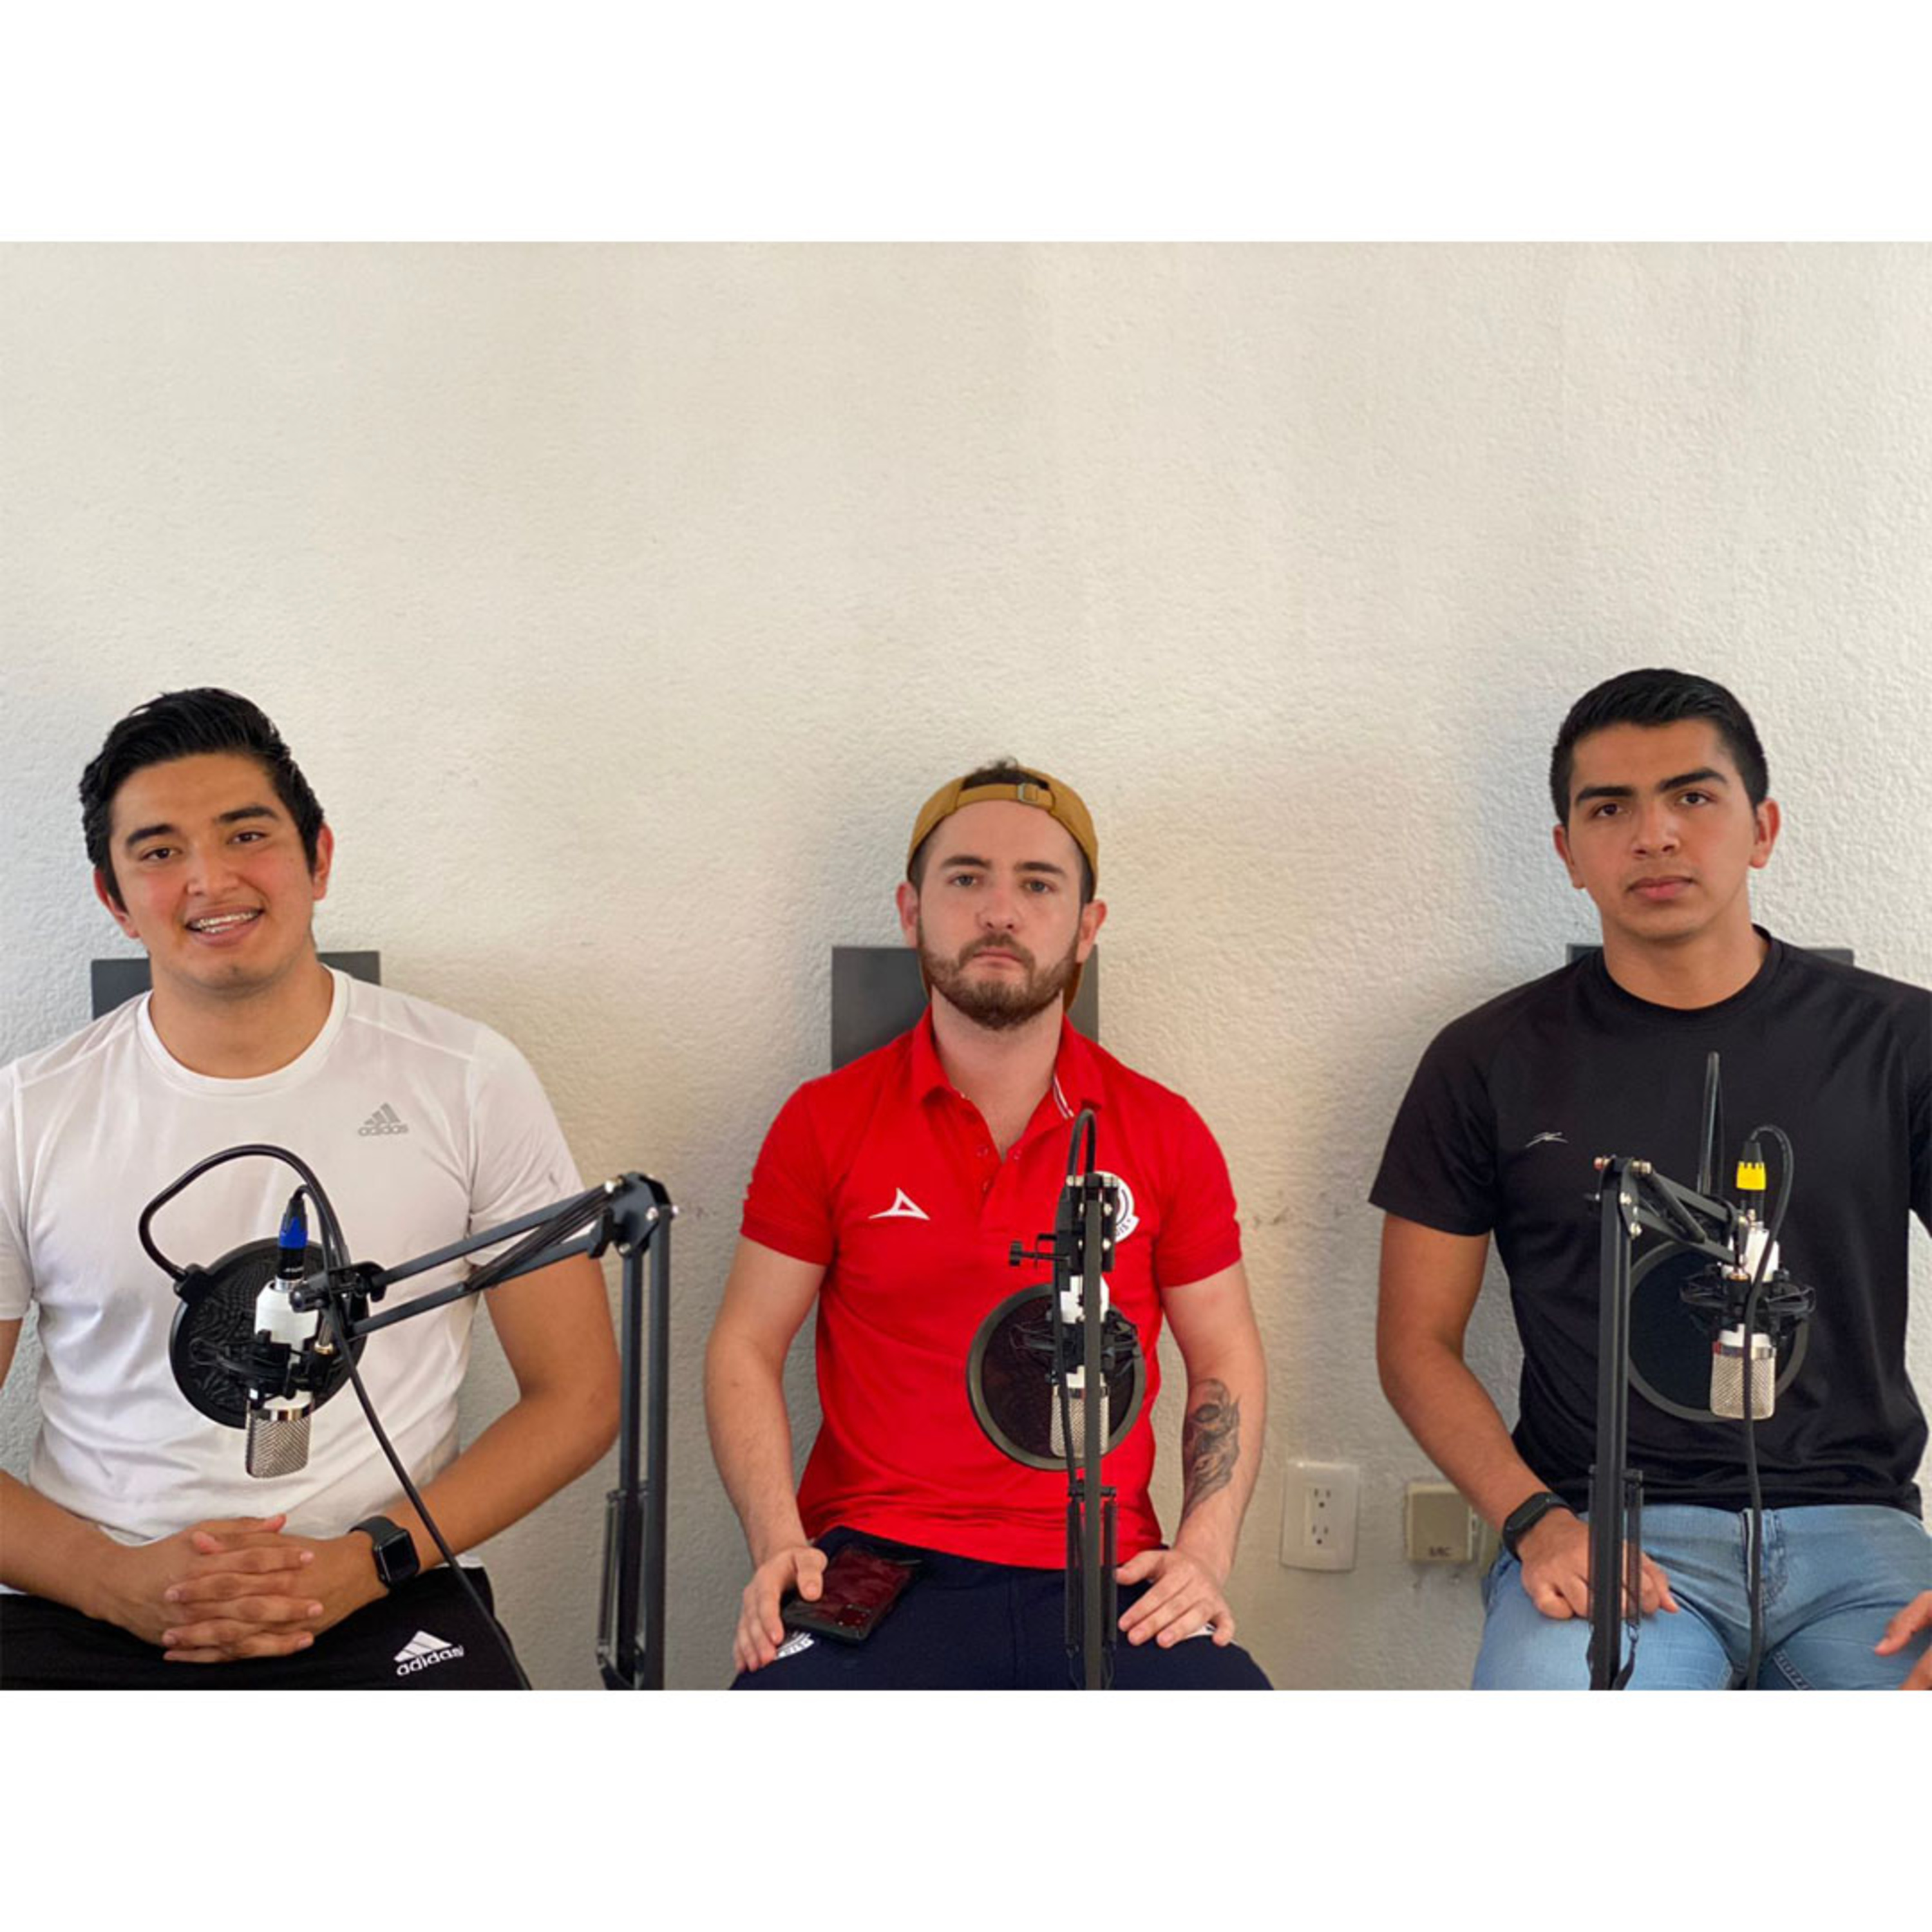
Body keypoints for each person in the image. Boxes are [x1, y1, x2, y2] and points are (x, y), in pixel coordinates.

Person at [0, 689, 618, 1689]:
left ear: (318, 857)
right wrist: (112, 1582)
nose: (210, 879)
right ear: (114, 898)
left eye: (247, 834)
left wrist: (367, 1562)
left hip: (382, 1582)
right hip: (91, 1601)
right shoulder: (26, 1113)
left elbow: (577, 1396)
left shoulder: (465, 1077)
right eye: (159, 851)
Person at [1373, 667, 1932, 1689]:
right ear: (1568, 852)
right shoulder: (1486, 1059)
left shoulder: (1900, 1040)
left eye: (1693, 797)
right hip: (1604, 1529)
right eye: (1610, 809)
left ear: (1762, 829)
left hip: (1860, 1534)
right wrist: (1534, 1522)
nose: (1655, 835)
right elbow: (1415, 1342)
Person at [705, 762, 1269, 1688]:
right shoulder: (824, 1121)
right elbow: (745, 1342)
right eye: (966, 878)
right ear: (911, 910)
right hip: (872, 1563)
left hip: (1103, 1565)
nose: (1000, 911)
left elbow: (1226, 1354)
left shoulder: (1163, 1131)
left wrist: (1204, 1552)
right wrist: (777, 1544)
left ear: (1086, 926)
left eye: (1038, 885)